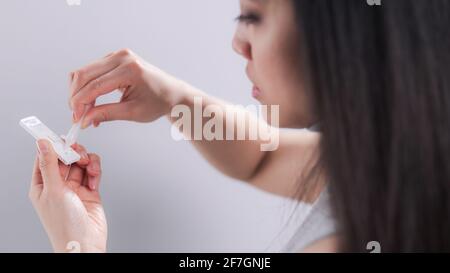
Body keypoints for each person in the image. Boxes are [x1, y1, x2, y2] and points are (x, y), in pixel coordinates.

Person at [30, 0, 450, 252]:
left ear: (349, 30)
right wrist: (172, 98)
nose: (238, 43)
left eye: (253, 17)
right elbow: (260, 159)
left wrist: (77, 243)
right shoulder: (400, 156)